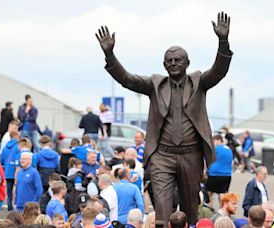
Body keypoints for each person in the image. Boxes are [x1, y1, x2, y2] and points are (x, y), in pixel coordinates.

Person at [96, 11, 232, 227]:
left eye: (178, 60)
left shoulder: (199, 82)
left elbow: (219, 71)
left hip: (191, 155)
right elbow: (127, 79)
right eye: (169, 61)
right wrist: (110, 56)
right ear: (164, 64)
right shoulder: (155, 85)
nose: (173, 63)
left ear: (187, 62)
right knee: (162, 213)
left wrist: (223, 41)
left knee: (189, 212)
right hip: (162, 156)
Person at [206, 135, 233, 207]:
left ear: (219, 140)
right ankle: (222, 211)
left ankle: (209, 210)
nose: (213, 143)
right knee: (222, 194)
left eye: (214, 141)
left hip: (215, 174)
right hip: (227, 175)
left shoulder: (216, 149)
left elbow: (209, 159)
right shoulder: (229, 149)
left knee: (208, 194)